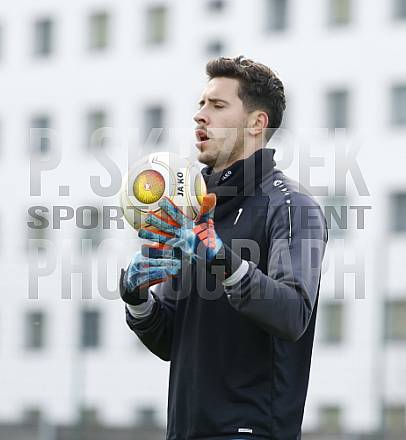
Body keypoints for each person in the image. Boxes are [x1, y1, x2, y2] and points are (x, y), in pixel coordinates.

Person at [119, 56, 328, 440]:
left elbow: (293, 312)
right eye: (201, 104)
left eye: (217, 105)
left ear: (256, 123)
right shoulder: (193, 210)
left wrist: (222, 262)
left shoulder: (292, 206)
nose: (200, 115)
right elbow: (170, 340)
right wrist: (137, 299)